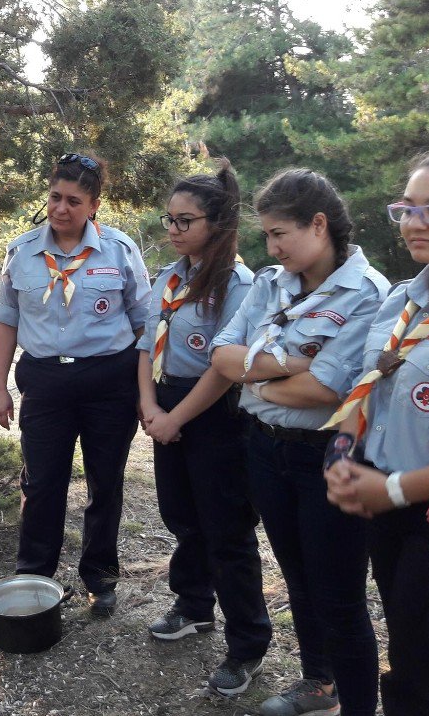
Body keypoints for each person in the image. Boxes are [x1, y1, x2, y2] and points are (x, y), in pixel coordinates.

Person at [209, 169, 388, 715]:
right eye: (266, 235)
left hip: (326, 455)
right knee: (298, 578)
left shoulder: (368, 293)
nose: (272, 246)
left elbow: (326, 390)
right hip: (264, 448)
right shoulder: (270, 282)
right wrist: (288, 366)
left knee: (339, 596)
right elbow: (220, 354)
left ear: (319, 224)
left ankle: (357, 705)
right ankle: (320, 684)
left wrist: (255, 374)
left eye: (280, 233)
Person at [325, 147, 429, 716]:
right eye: (406, 207)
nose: (413, 221)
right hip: (387, 504)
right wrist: (341, 451)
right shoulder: (400, 300)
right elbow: (366, 392)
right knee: (408, 643)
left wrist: (399, 489)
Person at [0, 152, 150, 616]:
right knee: (42, 482)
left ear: (94, 205)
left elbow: (144, 325)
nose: (61, 208)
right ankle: (35, 573)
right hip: (45, 381)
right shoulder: (21, 251)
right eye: (55, 197)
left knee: (106, 482)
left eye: (74, 201)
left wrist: (146, 393)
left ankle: (100, 576)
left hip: (109, 381)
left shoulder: (120, 251)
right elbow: (6, 320)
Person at [135, 161, 272, 695]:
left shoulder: (239, 284)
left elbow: (223, 366)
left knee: (227, 532)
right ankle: (194, 605)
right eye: (168, 219)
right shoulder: (168, 278)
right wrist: (149, 406)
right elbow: (146, 346)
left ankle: (247, 645)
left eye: (184, 221)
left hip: (214, 415)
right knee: (181, 517)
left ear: (216, 224)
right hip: (165, 403)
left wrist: (174, 417)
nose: (172, 230)